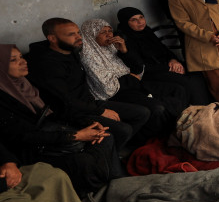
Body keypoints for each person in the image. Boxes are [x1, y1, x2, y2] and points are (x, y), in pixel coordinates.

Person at [0, 44, 122, 195]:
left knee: (105, 137)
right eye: (13, 60)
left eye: (20, 57)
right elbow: (19, 136)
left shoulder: (21, 82)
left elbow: (54, 110)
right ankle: (97, 194)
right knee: (83, 161)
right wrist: (76, 136)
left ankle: (116, 185)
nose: (23, 61)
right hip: (23, 149)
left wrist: (86, 123)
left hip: (47, 133)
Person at [24, 19, 151, 153]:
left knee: (142, 113)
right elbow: (66, 100)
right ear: (52, 38)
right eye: (71, 34)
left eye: (78, 33)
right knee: (124, 129)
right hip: (70, 112)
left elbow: (137, 66)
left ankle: (117, 150)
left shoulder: (71, 51)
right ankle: (106, 154)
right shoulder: (48, 64)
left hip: (89, 103)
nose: (79, 37)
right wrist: (100, 111)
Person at [78, 18, 180, 136]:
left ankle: (176, 128)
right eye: (103, 32)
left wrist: (124, 51)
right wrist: (132, 78)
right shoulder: (88, 56)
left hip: (131, 85)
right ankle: (157, 136)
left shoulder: (112, 47)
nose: (109, 35)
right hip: (115, 95)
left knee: (177, 90)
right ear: (91, 35)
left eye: (110, 31)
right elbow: (107, 88)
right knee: (157, 107)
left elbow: (139, 68)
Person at [115, 7, 211, 105]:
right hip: (151, 73)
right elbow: (140, 65)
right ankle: (201, 109)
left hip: (166, 65)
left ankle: (209, 106)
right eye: (134, 20)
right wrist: (168, 68)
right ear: (125, 23)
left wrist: (174, 61)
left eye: (141, 17)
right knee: (186, 81)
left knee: (196, 72)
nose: (140, 22)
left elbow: (163, 49)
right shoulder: (124, 40)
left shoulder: (146, 31)